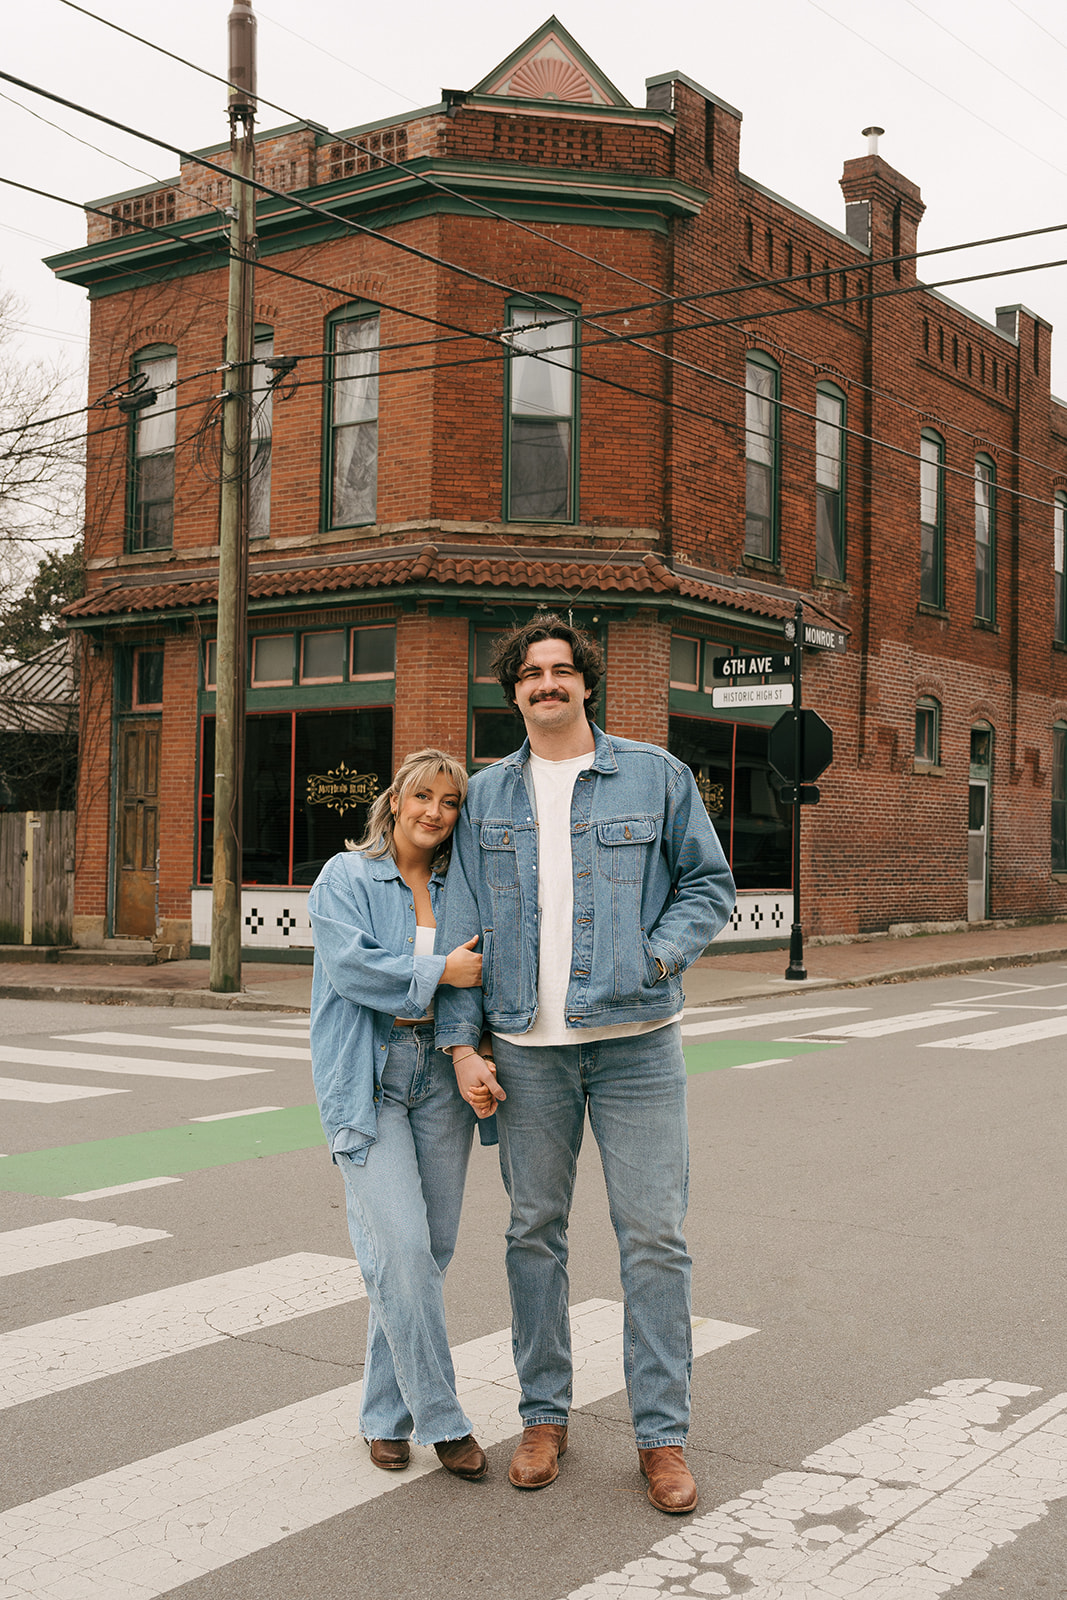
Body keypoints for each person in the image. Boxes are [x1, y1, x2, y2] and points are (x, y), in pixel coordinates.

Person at [436, 615, 735, 1514]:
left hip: (637, 1044)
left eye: (562, 670)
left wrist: (655, 958)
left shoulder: (656, 774)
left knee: (654, 1238)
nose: (547, 684)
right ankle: (542, 1415)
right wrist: (460, 1042)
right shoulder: (485, 798)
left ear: (586, 684)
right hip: (528, 1052)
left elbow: (706, 885)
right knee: (534, 1233)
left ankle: (662, 1437)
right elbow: (459, 928)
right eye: (531, 673)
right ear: (513, 691)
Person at [309, 748, 492, 1481]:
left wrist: (463, 1049)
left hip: (438, 1080)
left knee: (426, 1253)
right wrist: (437, 970)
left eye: (450, 803)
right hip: (366, 1076)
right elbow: (351, 970)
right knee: (404, 1252)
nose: (435, 813)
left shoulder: (459, 887)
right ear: (394, 801)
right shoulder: (344, 876)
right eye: (423, 797)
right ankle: (444, 1423)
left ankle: (384, 1415)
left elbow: (474, 982)